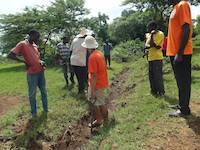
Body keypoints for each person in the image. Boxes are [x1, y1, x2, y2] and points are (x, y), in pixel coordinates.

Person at [8, 30, 48, 118]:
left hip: (41, 71)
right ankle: (34, 114)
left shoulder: (34, 45)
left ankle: (46, 110)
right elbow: (10, 55)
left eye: (38, 37)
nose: (38, 39)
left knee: (44, 92)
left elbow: (37, 58)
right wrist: (24, 61)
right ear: (31, 35)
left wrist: (41, 61)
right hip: (32, 74)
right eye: (37, 36)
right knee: (32, 94)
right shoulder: (22, 44)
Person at [167, 0, 193, 117]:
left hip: (182, 52)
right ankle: (181, 104)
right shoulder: (175, 7)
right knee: (179, 81)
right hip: (174, 52)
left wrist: (180, 52)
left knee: (184, 81)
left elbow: (186, 28)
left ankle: (184, 110)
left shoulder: (183, 5)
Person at [82, 35, 109, 127]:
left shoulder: (92, 58)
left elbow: (93, 75)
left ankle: (100, 120)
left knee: (96, 102)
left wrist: (92, 91)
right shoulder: (99, 53)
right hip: (102, 82)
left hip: (97, 84)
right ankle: (104, 120)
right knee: (100, 102)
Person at [145, 21, 165, 97]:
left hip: (157, 58)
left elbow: (154, 45)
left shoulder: (160, 34)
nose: (148, 29)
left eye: (149, 27)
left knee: (158, 76)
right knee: (151, 76)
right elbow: (148, 45)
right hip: (150, 58)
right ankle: (153, 91)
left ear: (153, 27)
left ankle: (161, 92)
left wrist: (152, 35)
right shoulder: (149, 35)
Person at [70, 27, 88, 95]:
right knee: (83, 77)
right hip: (81, 62)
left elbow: (71, 50)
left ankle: (81, 89)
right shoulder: (86, 41)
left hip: (74, 61)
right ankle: (81, 90)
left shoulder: (74, 40)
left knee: (78, 76)